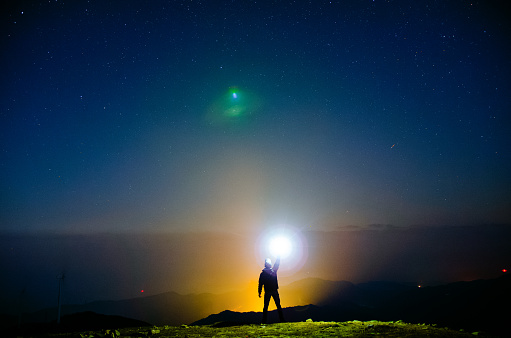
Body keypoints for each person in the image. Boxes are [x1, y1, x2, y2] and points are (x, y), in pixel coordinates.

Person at [258, 256, 285, 323]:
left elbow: (260, 283)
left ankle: (264, 321)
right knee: (278, 305)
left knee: (266, 307)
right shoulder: (273, 270)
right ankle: (282, 320)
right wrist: (279, 256)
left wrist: (259, 292)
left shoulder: (263, 274)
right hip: (274, 290)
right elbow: (277, 263)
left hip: (267, 291)